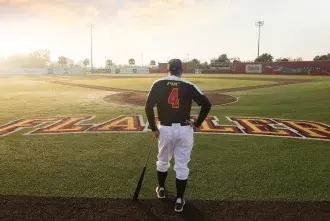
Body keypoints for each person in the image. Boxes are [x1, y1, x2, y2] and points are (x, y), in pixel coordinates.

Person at [144, 59, 212, 212]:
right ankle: (180, 199)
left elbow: (148, 106)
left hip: (165, 129)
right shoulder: (189, 85)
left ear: (167, 70)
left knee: (162, 161)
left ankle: (161, 189)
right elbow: (207, 104)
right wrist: (197, 123)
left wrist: (154, 128)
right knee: (181, 166)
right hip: (184, 130)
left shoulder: (158, 83)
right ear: (181, 71)